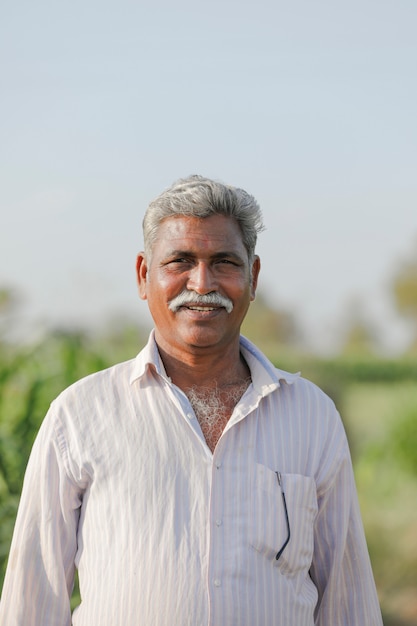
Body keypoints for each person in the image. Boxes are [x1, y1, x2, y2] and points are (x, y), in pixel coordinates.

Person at [0, 175, 382, 625]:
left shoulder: (312, 417)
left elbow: (347, 601)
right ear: (144, 275)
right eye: (180, 260)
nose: (202, 283)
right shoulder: (80, 415)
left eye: (224, 262)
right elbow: (33, 601)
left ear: (252, 276)